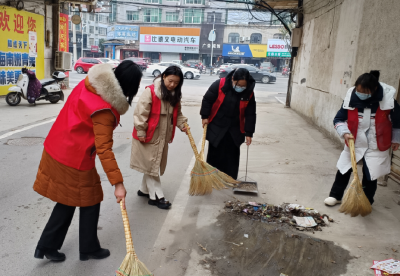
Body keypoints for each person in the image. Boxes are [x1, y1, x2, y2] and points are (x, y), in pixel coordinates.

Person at [33, 61, 143, 262]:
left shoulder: (90, 83)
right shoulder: (104, 109)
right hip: (72, 156)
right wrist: (118, 183)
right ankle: (78, 248)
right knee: (83, 199)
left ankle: (62, 246)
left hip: (59, 146)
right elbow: (104, 149)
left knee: (78, 199)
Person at [325, 71, 400, 207]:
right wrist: (345, 133)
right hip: (354, 141)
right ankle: (336, 195)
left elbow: (398, 123)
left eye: (364, 91)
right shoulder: (350, 98)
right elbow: (339, 119)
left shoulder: (388, 101)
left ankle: (366, 201)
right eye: (358, 90)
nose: (360, 93)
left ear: (374, 90)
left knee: (371, 173)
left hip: (376, 143)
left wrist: (396, 140)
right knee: (344, 169)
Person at [130, 66, 189, 210]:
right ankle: (157, 196)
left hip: (162, 136)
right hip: (148, 135)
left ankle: (144, 190)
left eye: (176, 82)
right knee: (152, 164)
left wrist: (183, 125)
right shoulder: (150, 92)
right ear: (163, 77)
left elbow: (178, 114)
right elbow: (140, 114)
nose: (172, 85)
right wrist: (141, 132)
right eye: (170, 81)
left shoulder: (175, 95)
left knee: (152, 163)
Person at [200, 68, 256, 179]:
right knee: (215, 151)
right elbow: (207, 100)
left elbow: (250, 113)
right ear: (232, 79)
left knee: (232, 153)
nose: (240, 87)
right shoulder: (220, 84)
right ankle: (212, 178)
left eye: (243, 86)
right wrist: (205, 116)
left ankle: (229, 178)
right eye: (238, 84)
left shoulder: (249, 92)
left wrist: (249, 133)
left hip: (235, 126)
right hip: (217, 123)